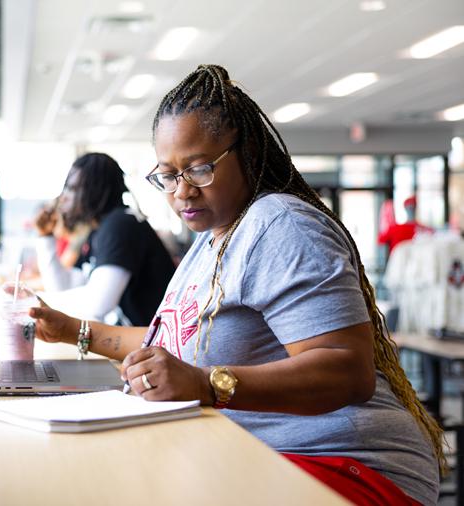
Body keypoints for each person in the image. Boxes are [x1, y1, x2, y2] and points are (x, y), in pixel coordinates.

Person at [29, 65, 442, 505]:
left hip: (344, 462)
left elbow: (347, 370)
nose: (182, 191)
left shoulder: (280, 224)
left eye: (199, 169)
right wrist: (71, 330)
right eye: (168, 175)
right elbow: (170, 344)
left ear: (245, 154)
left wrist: (206, 384)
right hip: (271, 455)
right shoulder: (211, 240)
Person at [32, 152, 175, 326]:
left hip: (159, 346)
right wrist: (45, 237)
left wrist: (37, 301)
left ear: (96, 189)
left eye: (73, 188)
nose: (64, 197)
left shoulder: (121, 225)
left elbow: (98, 304)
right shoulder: (100, 231)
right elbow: (63, 285)